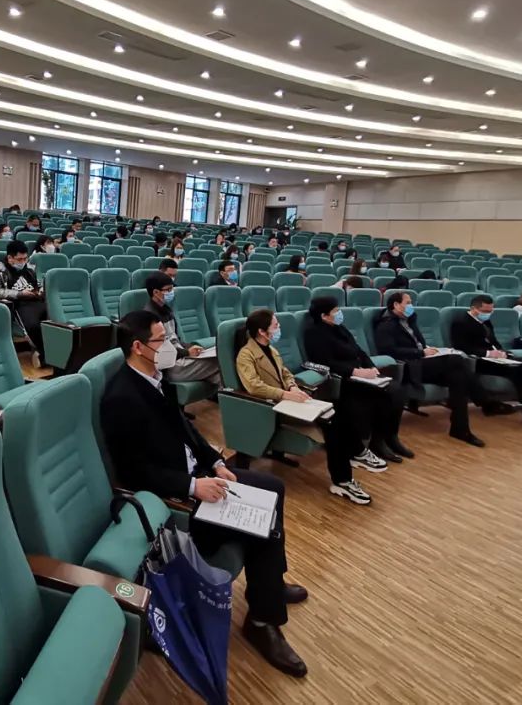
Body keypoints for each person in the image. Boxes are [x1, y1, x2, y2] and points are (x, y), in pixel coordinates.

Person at [102, 311, 309, 677]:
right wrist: (193, 486)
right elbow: (133, 471)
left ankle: (270, 585)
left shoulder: (156, 378)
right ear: (138, 347)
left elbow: (186, 430)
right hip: (177, 500)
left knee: (272, 489)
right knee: (260, 520)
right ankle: (262, 620)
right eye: (161, 340)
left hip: (199, 475)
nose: (170, 346)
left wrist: (214, 462)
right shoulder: (122, 397)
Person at [237, 309, 384, 499]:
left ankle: (356, 455)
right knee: (332, 425)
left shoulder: (271, 349)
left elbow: (285, 373)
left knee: (340, 412)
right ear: (261, 332)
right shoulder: (246, 354)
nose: (279, 328)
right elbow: (254, 386)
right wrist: (285, 394)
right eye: (275, 325)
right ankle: (343, 481)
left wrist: (292, 386)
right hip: (273, 407)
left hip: (290, 400)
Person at [302, 296, 411, 465]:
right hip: (343, 379)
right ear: (324, 316)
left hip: (360, 374)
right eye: (336, 311)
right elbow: (326, 362)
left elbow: (358, 350)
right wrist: (356, 371)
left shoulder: (339, 328)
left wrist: (372, 368)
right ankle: (374, 444)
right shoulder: (314, 333)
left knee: (396, 391)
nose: (340, 313)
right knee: (382, 396)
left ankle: (389, 437)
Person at [374, 291, 486, 447]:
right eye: (408, 302)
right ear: (396, 305)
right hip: (409, 367)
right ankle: (481, 396)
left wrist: (430, 350)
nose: (411, 306)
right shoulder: (386, 325)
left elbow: (419, 343)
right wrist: (421, 353)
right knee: (456, 360)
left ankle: (460, 428)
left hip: (423, 363)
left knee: (458, 377)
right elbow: (389, 350)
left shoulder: (410, 320)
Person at [450, 295, 522, 430]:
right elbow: (461, 347)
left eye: (491, 310)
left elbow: (494, 341)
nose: (489, 313)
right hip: (477, 360)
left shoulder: (486, 322)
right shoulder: (460, 322)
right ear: (474, 308)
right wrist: (488, 353)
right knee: (518, 370)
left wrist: (501, 352)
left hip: (496, 359)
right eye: (485, 311)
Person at [143, 273, 220, 386]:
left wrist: (190, 347)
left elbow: (176, 340)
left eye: (172, 289)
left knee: (219, 376)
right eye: (168, 290)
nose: (172, 292)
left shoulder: (166, 310)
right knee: (221, 361)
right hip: (171, 366)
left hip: (180, 357)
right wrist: (187, 352)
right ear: (155, 292)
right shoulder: (150, 317)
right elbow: (160, 351)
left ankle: (229, 396)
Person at [0, 240, 46, 366]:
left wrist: (40, 290)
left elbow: (39, 283)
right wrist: (19, 294)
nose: (23, 262)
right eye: (20, 259)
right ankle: (43, 354)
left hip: (36, 300)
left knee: (53, 321)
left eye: (25, 258)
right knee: (34, 325)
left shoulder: (29, 267)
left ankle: (56, 353)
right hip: (18, 304)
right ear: (10, 258)